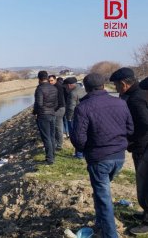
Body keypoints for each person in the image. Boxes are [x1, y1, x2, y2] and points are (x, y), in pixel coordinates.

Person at [71, 73, 134, 238]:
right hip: (119, 157)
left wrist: (88, 149)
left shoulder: (83, 108)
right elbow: (130, 129)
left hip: (99, 159)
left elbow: (78, 139)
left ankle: (110, 234)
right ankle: (100, 222)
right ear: (104, 86)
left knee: (104, 197)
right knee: (101, 191)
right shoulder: (120, 103)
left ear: (85, 88)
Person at [110, 68, 148, 235]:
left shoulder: (136, 99)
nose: (116, 89)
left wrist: (130, 139)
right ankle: (146, 214)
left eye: (117, 86)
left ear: (124, 84)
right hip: (142, 145)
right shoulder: (139, 92)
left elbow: (144, 123)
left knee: (145, 183)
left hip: (142, 146)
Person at [33, 70, 58, 164]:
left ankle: (50, 159)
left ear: (39, 79)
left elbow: (38, 104)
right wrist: (51, 109)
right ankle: (53, 156)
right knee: (51, 136)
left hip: (43, 115)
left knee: (46, 137)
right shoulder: (54, 88)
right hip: (52, 114)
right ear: (47, 78)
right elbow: (56, 103)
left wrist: (35, 112)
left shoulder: (39, 89)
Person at [63, 77, 86, 158]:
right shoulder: (83, 90)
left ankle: (79, 155)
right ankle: (83, 153)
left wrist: (68, 118)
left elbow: (71, 107)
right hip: (84, 116)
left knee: (75, 136)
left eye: (65, 87)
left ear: (69, 85)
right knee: (82, 135)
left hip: (74, 117)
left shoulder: (73, 93)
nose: (65, 89)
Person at [49, 75, 66, 150]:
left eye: (51, 80)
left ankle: (59, 145)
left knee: (58, 127)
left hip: (59, 109)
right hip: (58, 108)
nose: (50, 82)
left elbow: (60, 101)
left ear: (55, 80)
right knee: (56, 127)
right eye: (49, 81)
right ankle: (57, 143)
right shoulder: (54, 87)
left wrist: (53, 109)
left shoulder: (58, 87)